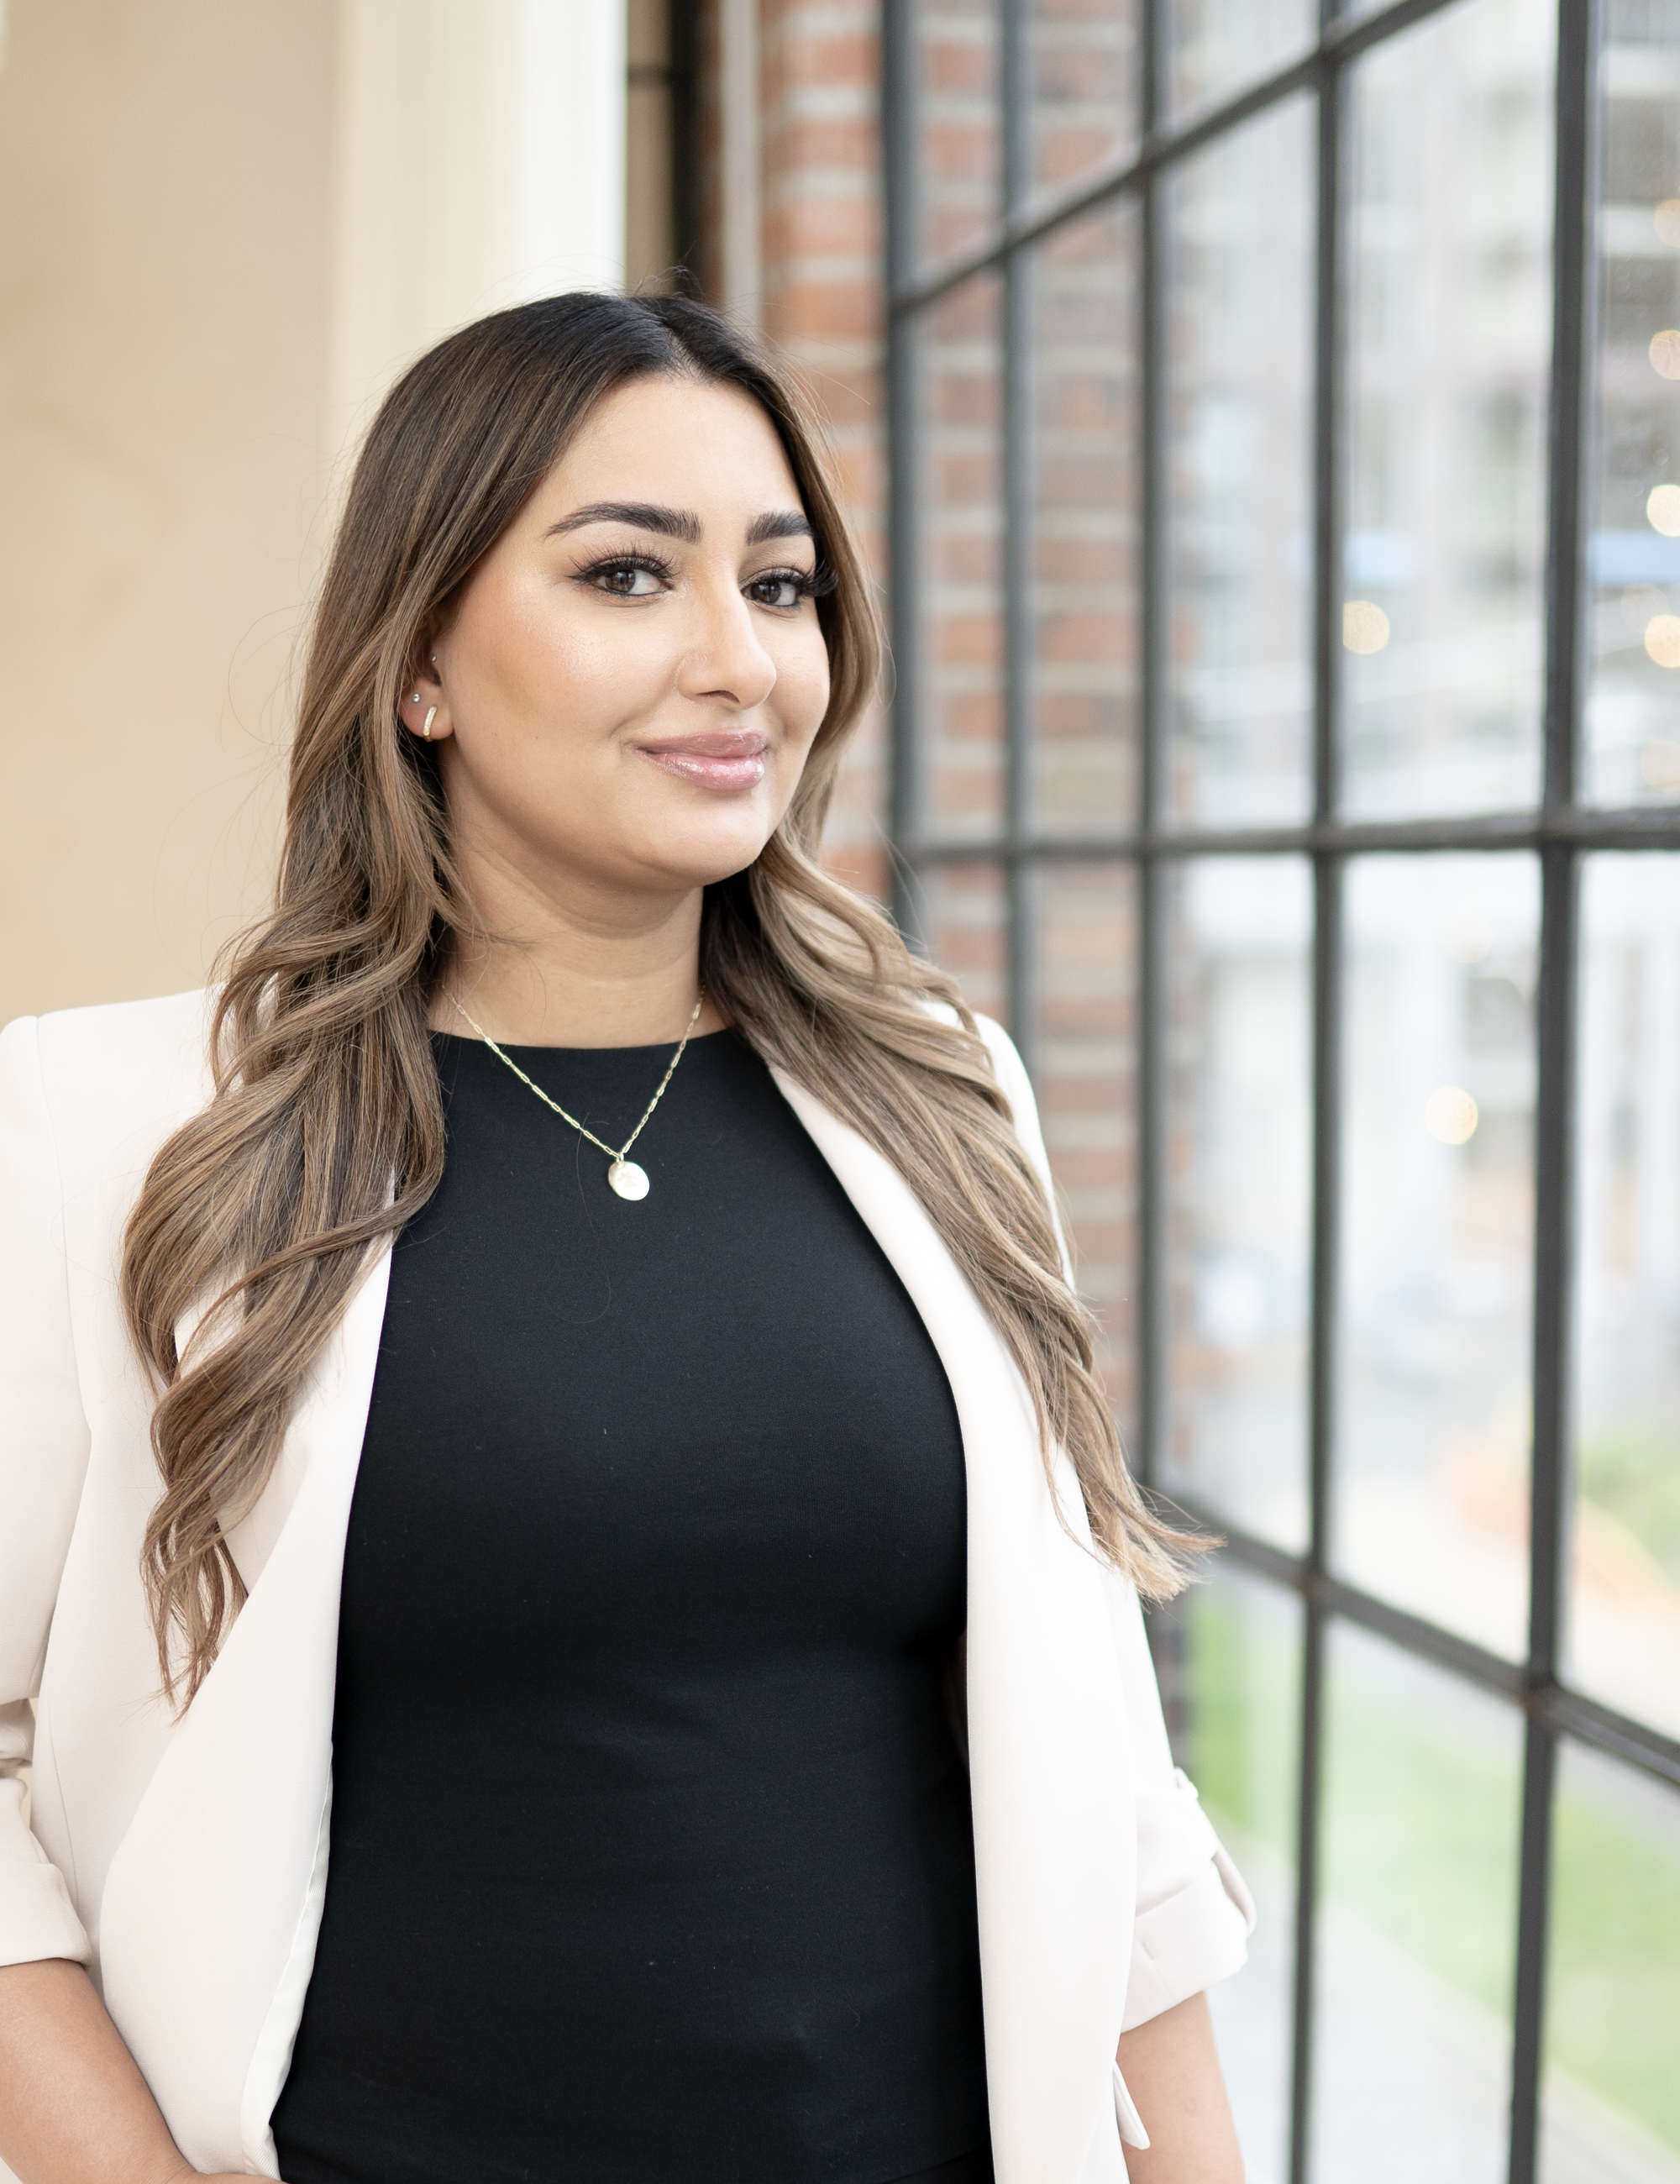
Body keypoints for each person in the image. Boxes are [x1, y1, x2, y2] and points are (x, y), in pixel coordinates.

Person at [0, 292, 1252, 2184]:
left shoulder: (943, 1095)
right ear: (417, 660)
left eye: (779, 585)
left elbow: (1097, 1765)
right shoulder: (116, 1129)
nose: (737, 660)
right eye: (625, 576)